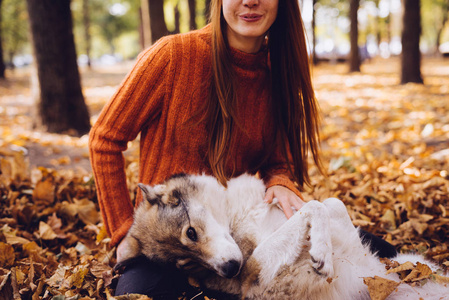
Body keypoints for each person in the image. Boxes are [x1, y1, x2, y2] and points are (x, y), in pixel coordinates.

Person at [89, 0, 396, 298]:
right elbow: (104, 140)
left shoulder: (278, 71)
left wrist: (280, 181)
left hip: (244, 237)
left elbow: (278, 161)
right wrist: (124, 231)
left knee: (380, 254)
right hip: (175, 245)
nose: (250, 1)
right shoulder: (173, 56)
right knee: (138, 293)